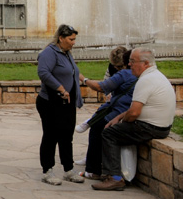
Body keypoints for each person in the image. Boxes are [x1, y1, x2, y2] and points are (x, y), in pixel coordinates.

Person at [92, 48, 175, 191]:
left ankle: (114, 178)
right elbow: (135, 109)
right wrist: (119, 117)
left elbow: (134, 113)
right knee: (114, 127)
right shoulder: (155, 76)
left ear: (145, 63)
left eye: (133, 61)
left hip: (151, 127)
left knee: (109, 133)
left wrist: (120, 122)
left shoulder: (146, 80)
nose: (129, 64)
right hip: (161, 126)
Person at [76, 48, 137, 180]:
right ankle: (88, 123)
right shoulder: (142, 74)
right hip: (128, 109)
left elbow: (101, 87)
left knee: (97, 128)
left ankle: (93, 170)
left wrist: (83, 79)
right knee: (103, 114)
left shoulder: (124, 74)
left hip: (121, 111)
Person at [36, 24, 85, 186]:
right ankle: (47, 171)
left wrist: (85, 80)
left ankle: (68, 169)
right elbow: (43, 73)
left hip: (67, 103)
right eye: (71, 39)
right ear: (61, 38)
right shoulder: (49, 53)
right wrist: (60, 88)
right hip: (50, 101)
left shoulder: (66, 53)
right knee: (51, 136)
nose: (73, 43)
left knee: (66, 136)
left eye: (74, 39)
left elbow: (73, 72)